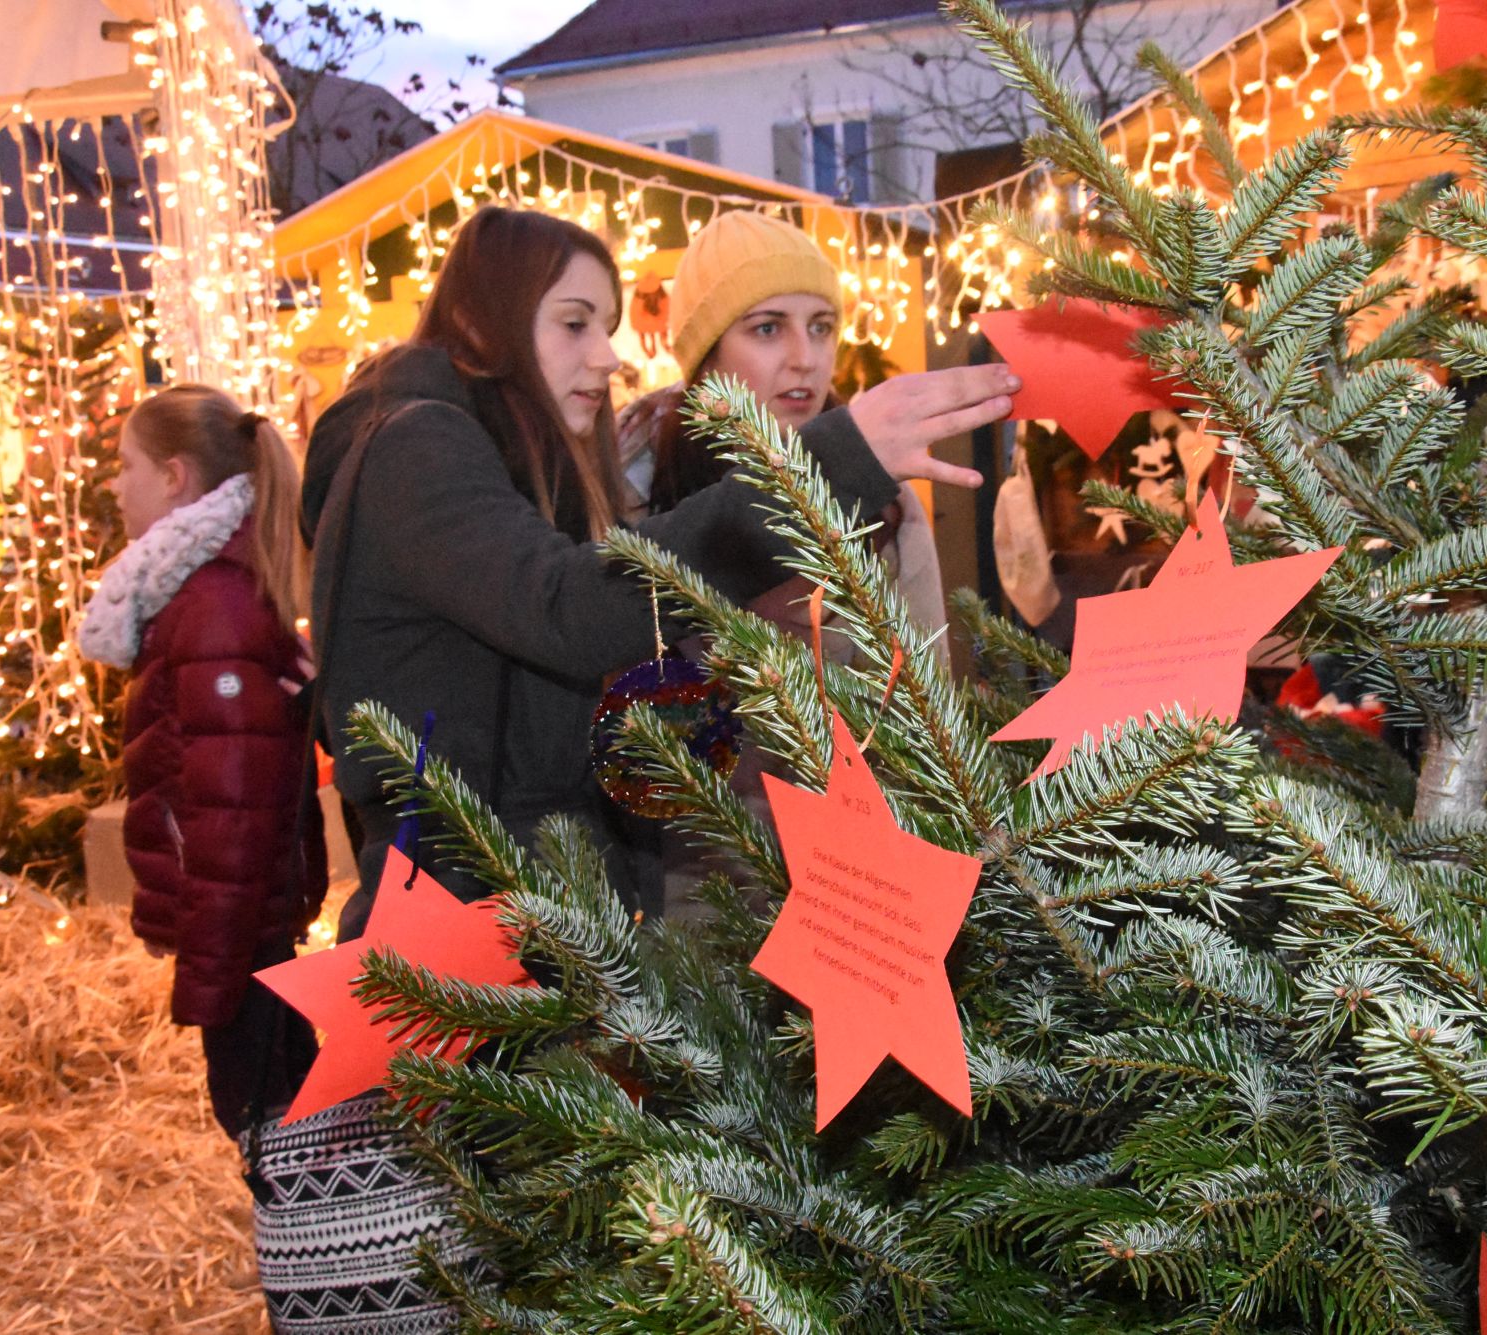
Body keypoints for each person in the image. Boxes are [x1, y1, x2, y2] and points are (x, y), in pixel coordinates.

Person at [300, 206, 1016, 939]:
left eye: (606, 328)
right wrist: (824, 469)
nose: (608, 357)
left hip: (582, 907)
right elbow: (567, 606)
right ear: (488, 323)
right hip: (469, 925)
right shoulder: (419, 447)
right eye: (575, 323)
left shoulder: (540, 470)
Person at [79, 385, 326, 1138]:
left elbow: (232, 815)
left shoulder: (211, 605)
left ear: (177, 476)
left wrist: (210, 976)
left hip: (242, 937)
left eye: (127, 466)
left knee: (269, 1121)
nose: (116, 485)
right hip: (245, 933)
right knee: (282, 1118)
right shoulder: (197, 592)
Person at [619, 210, 948, 651]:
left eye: (821, 327)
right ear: (706, 356)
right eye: (768, 328)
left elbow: (927, 700)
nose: (806, 358)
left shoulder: (879, 498)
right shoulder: (632, 487)